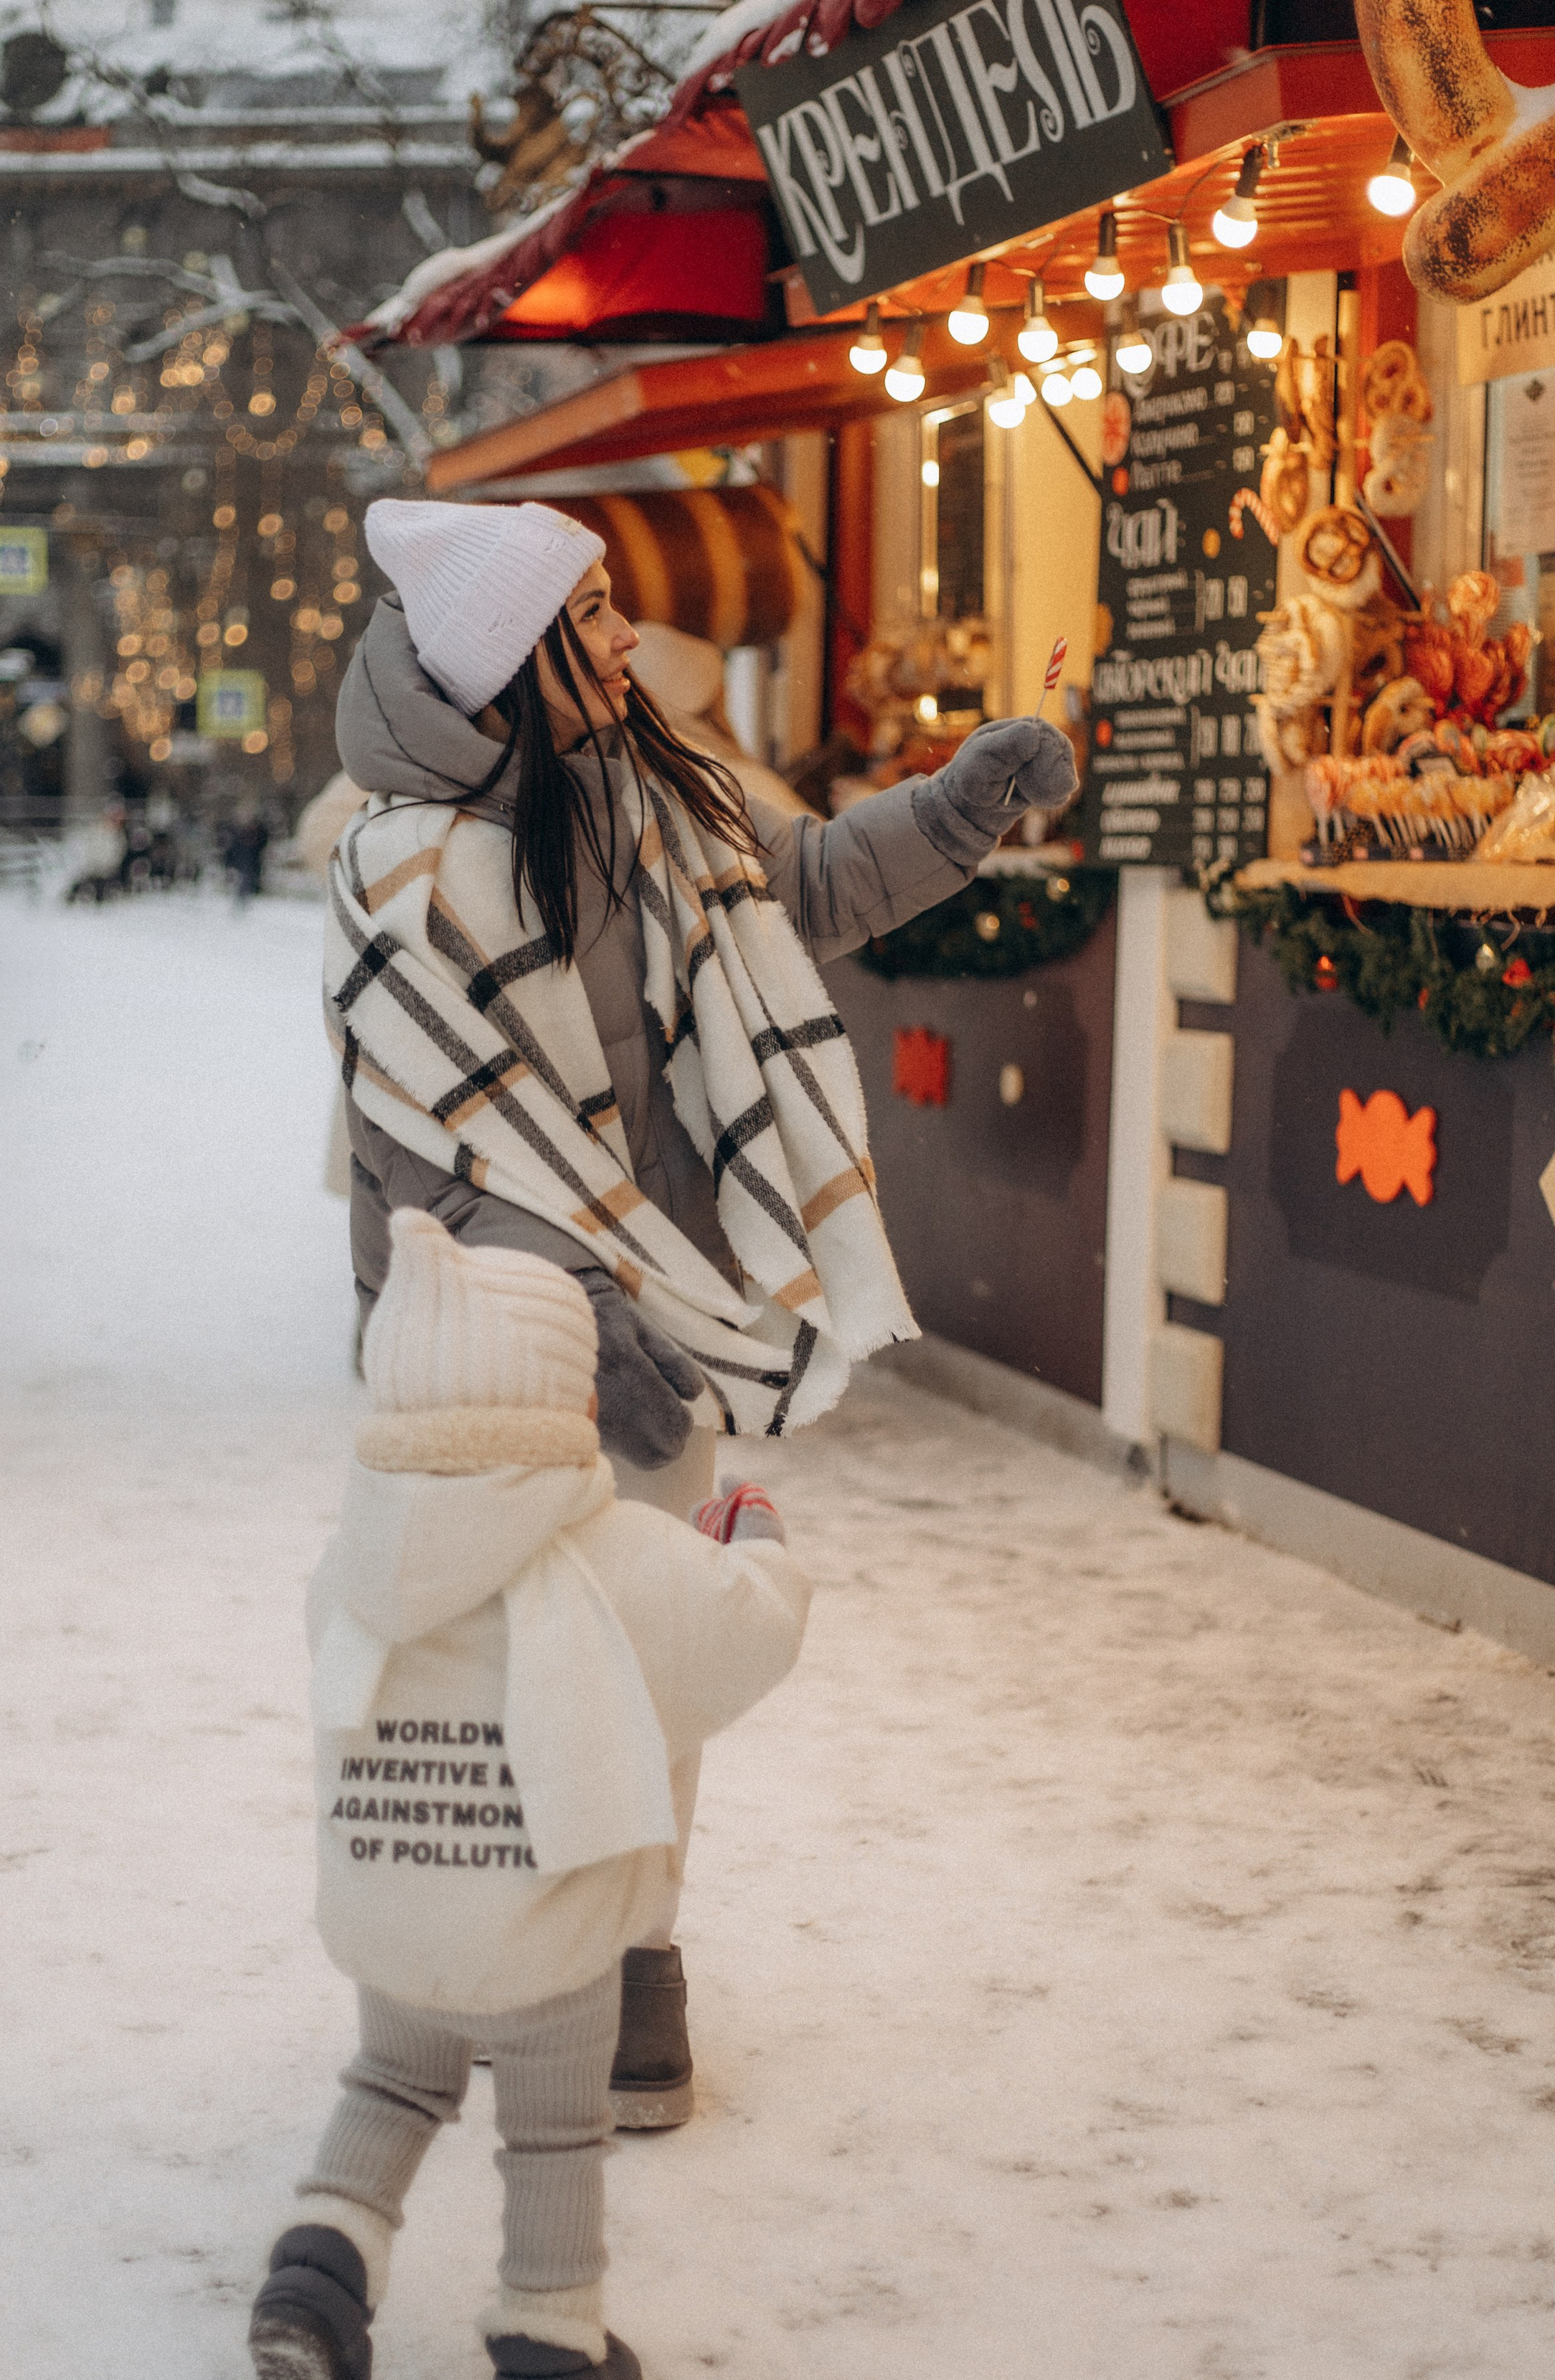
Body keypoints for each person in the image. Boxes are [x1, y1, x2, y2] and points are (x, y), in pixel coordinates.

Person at [323, 497, 1077, 2126]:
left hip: (666, 1314)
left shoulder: (659, 794)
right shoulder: (396, 865)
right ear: (518, 655)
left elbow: (799, 883)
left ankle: (632, 1964)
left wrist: (958, 811)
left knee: (645, 1659)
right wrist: (588, 1320)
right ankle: (487, 1967)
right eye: (591, 616)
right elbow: (425, 1157)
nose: (625, 639)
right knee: (495, 1665)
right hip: (493, 1351)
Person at [250, 1212, 810, 2380]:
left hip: (391, 1915)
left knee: (393, 2082)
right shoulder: (615, 1554)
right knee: (552, 2124)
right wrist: (759, 1540)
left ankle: (321, 2265)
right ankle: (553, 2351)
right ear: (568, 1392)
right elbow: (746, 1634)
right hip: (549, 1935)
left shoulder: (360, 1556)